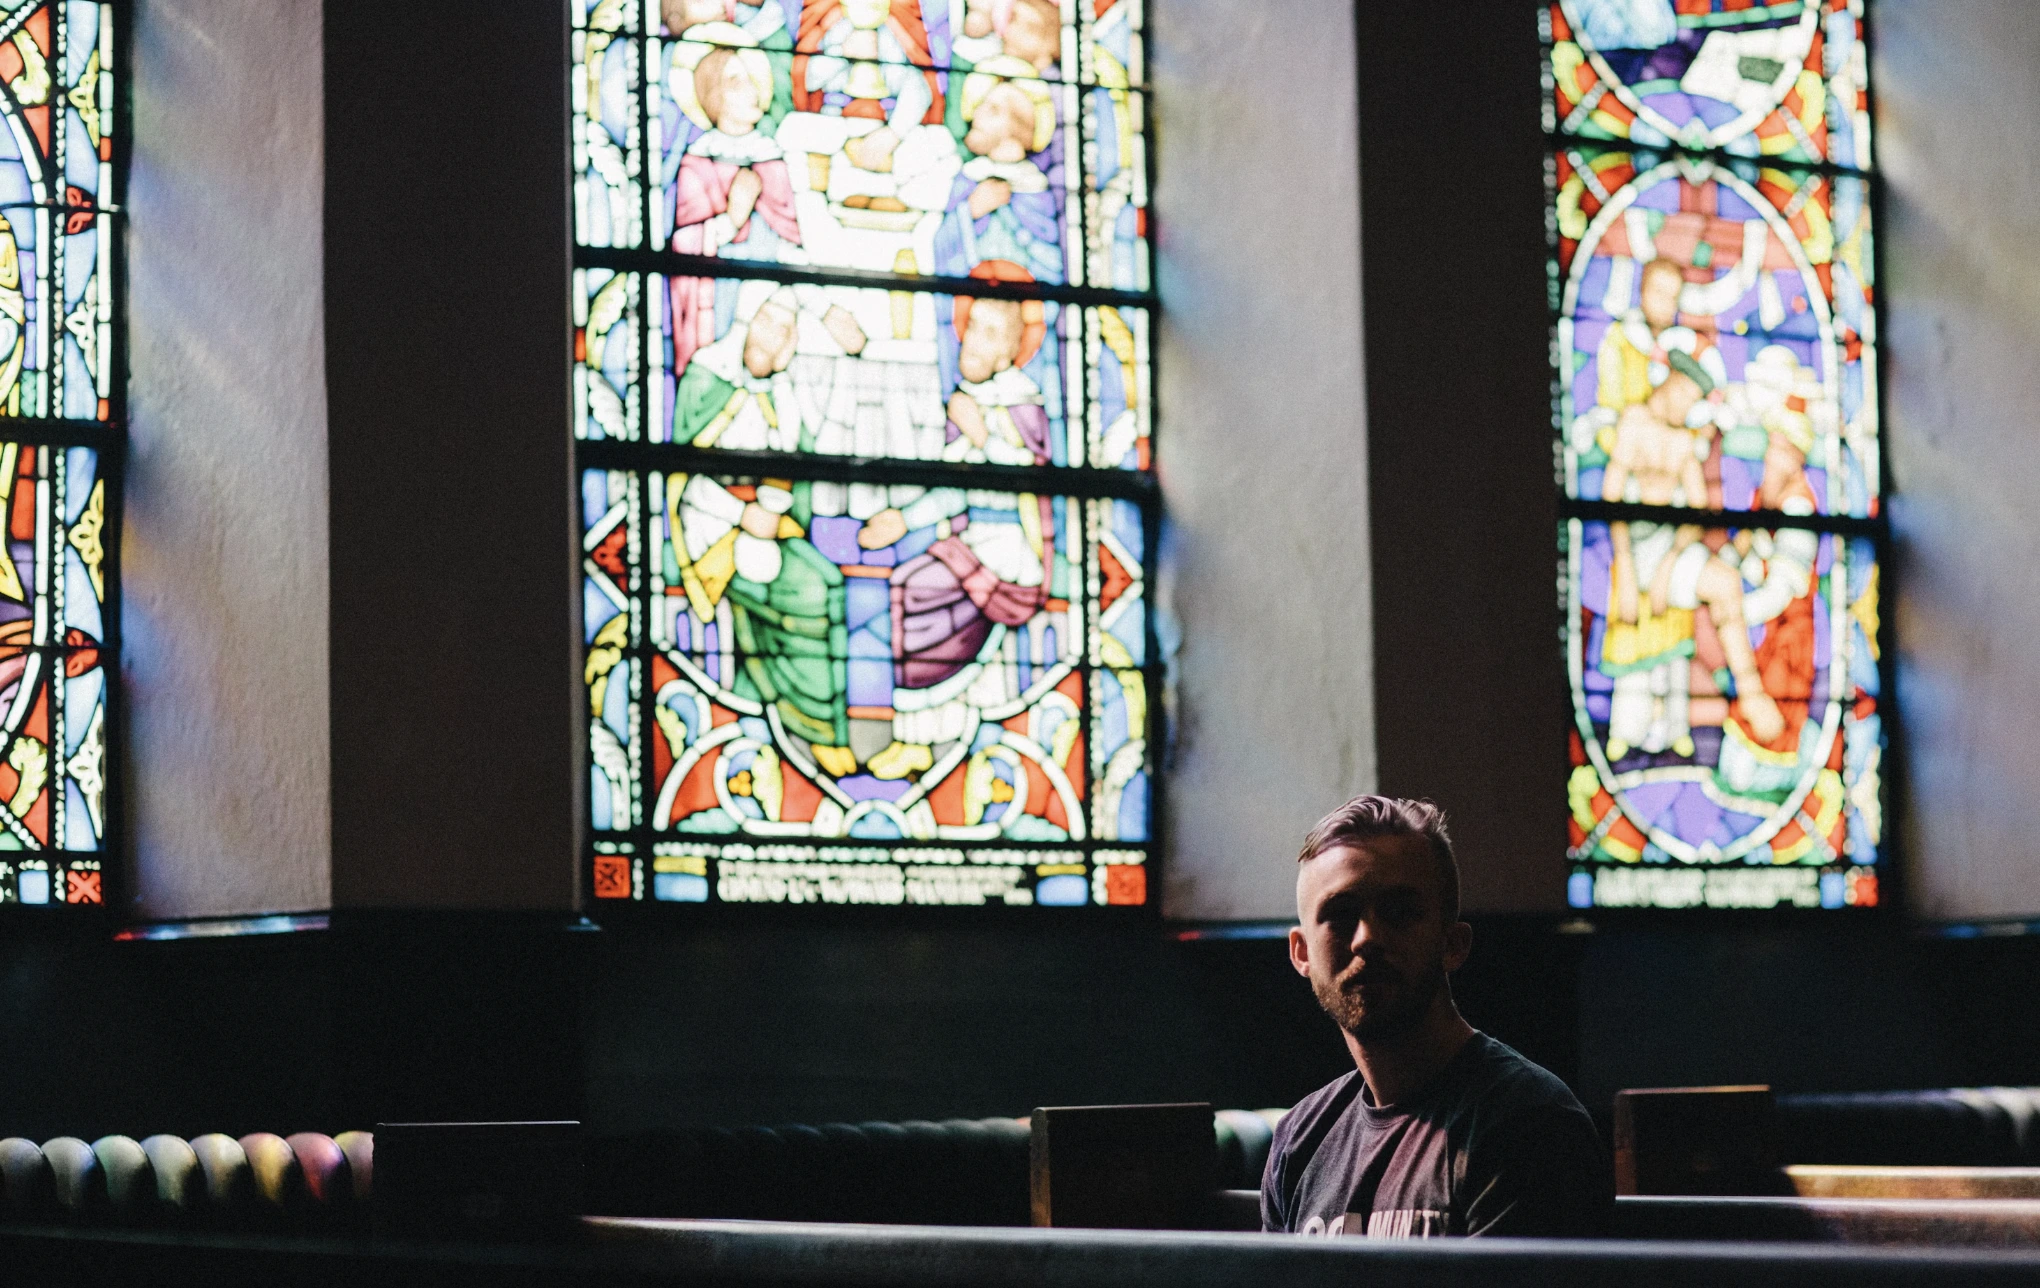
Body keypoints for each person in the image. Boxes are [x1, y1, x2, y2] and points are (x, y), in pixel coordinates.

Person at [1263, 797, 1612, 1238]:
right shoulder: (1300, 1139)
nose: (1367, 938)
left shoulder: (1530, 1125)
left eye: (1400, 913)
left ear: (1453, 943)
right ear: (1301, 953)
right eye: (1341, 915)